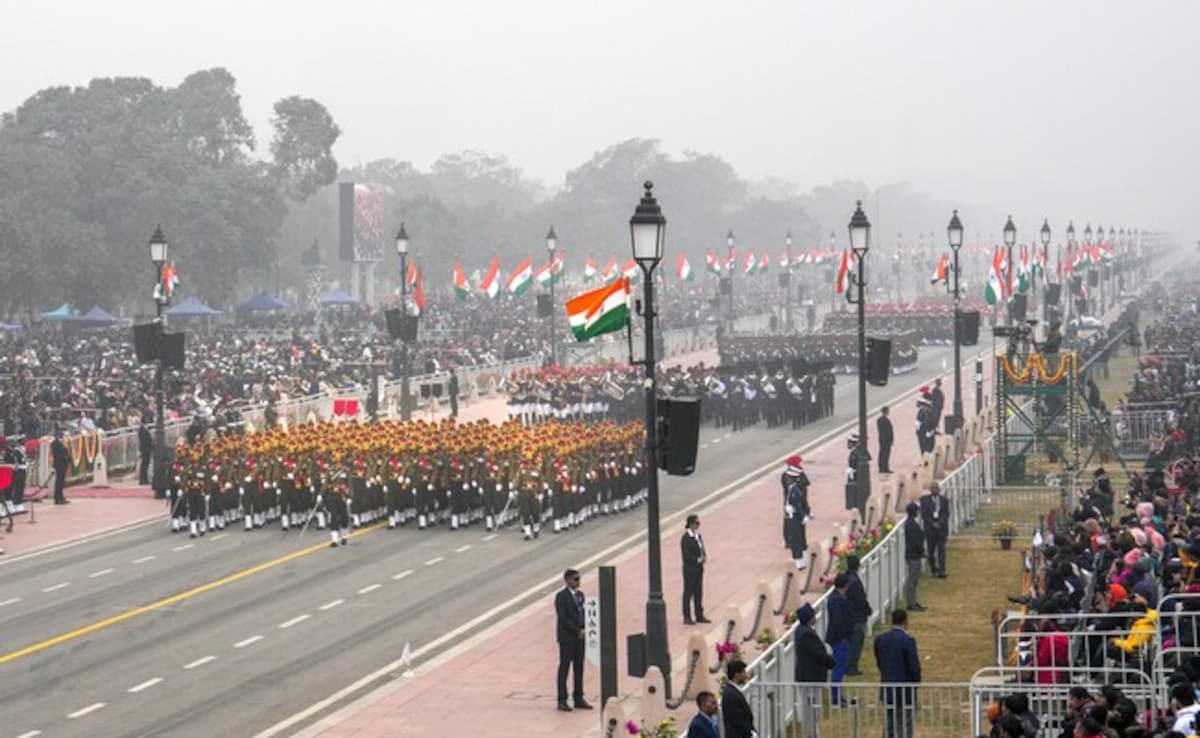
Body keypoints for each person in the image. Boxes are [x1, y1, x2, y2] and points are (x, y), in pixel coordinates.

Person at [874, 609, 921, 738]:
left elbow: (879, 662)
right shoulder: (907, 640)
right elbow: (914, 667)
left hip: (888, 687)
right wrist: (916, 683)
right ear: (905, 622)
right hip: (905, 690)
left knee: (890, 723)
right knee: (905, 725)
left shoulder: (880, 639)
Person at [792, 602, 834, 734]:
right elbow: (817, 654)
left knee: (812, 708)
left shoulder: (802, 631)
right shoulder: (806, 634)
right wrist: (831, 662)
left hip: (808, 676)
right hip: (809, 677)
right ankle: (810, 733)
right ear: (810, 618)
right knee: (810, 709)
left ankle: (812, 732)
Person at [554, 568, 591, 711]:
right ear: (567, 580)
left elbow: (584, 612)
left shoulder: (581, 595)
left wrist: (585, 628)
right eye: (576, 579)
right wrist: (577, 630)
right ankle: (562, 699)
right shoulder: (561, 597)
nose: (578, 582)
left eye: (579, 579)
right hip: (567, 637)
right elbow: (563, 618)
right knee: (564, 667)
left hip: (580, 637)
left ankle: (578, 697)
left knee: (579, 667)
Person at [826, 573, 854, 704]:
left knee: (840, 667)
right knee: (839, 667)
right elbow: (838, 620)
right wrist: (843, 636)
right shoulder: (837, 600)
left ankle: (838, 694)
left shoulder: (836, 597)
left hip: (839, 637)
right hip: (839, 639)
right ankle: (836, 697)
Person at [844, 554, 872, 676]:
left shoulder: (847, 578)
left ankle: (850, 665)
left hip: (849, 616)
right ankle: (852, 667)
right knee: (856, 643)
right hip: (856, 616)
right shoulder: (854, 582)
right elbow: (860, 599)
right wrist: (867, 610)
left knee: (852, 643)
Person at [783, 456, 811, 570]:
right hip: (794, 515)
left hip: (795, 516)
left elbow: (799, 503)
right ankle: (800, 558)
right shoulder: (793, 488)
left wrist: (805, 513)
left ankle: (799, 559)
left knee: (797, 537)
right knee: (797, 536)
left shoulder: (795, 490)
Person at [681, 513, 709, 624]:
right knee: (688, 593)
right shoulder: (686, 538)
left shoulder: (698, 536)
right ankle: (687, 616)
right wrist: (697, 559)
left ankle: (699, 614)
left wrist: (704, 556)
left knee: (698, 592)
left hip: (698, 569)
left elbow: (702, 548)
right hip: (690, 569)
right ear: (691, 524)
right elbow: (686, 555)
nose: (698, 525)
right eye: (696, 523)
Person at [919, 482, 949, 577]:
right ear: (930, 489)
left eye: (936, 488)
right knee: (931, 550)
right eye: (933, 488)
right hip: (930, 529)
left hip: (941, 529)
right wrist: (932, 523)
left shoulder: (944, 500)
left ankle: (942, 569)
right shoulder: (924, 500)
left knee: (942, 550)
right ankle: (933, 568)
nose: (935, 490)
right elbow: (924, 514)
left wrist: (940, 523)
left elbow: (946, 514)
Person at [721, 659, 756, 738]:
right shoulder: (730, 695)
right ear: (737, 675)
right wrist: (750, 734)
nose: (746, 675)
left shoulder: (734, 691)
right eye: (743, 672)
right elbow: (737, 720)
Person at [902, 502, 926, 612]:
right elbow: (915, 540)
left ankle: (913, 601)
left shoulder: (911, 523)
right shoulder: (910, 524)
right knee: (912, 580)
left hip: (914, 554)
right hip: (913, 555)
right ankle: (911, 603)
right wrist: (922, 551)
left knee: (914, 580)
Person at [50, 429, 71, 505]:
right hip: (59, 464)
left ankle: (61, 496)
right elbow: (57, 454)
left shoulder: (62, 443)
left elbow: (65, 452)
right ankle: (57, 498)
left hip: (63, 463)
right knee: (59, 481)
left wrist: (68, 458)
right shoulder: (56, 443)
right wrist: (64, 457)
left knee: (62, 481)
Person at [877, 405, 894, 474]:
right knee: (885, 454)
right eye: (887, 410)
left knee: (883, 453)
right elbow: (887, 431)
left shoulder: (880, 420)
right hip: (885, 440)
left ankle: (882, 467)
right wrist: (890, 439)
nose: (888, 412)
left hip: (882, 439)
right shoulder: (885, 420)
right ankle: (884, 468)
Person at [138, 419, 155, 488]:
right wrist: (151, 444)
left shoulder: (144, 429)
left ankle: (145, 479)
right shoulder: (142, 429)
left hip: (147, 449)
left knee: (146, 464)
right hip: (145, 449)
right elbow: (144, 439)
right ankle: (143, 479)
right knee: (144, 465)